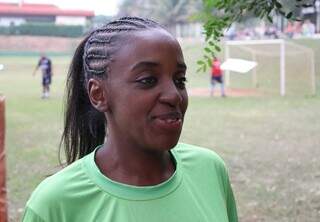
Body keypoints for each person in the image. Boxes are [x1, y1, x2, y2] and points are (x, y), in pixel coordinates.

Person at [22, 17, 238, 221]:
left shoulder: (210, 170)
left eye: (180, 80)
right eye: (148, 80)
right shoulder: (54, 204)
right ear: (99, 94)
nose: (174, 95)